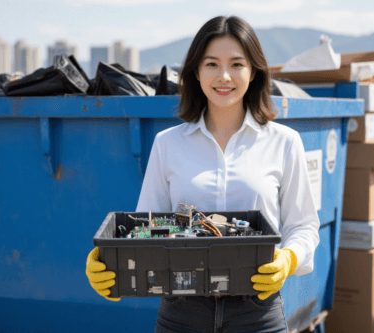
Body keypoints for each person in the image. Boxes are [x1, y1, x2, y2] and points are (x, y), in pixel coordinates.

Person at [86, 15, 320, 333]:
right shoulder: (168, 144)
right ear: (196, 72)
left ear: (254, 72)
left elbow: (304, 226)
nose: (224, 76)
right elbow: (143, 229)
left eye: (237, 64)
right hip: (182, 312)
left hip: (257, 313)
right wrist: (107, 260)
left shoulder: (284, 142)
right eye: (211, 64)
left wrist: (289, 260)